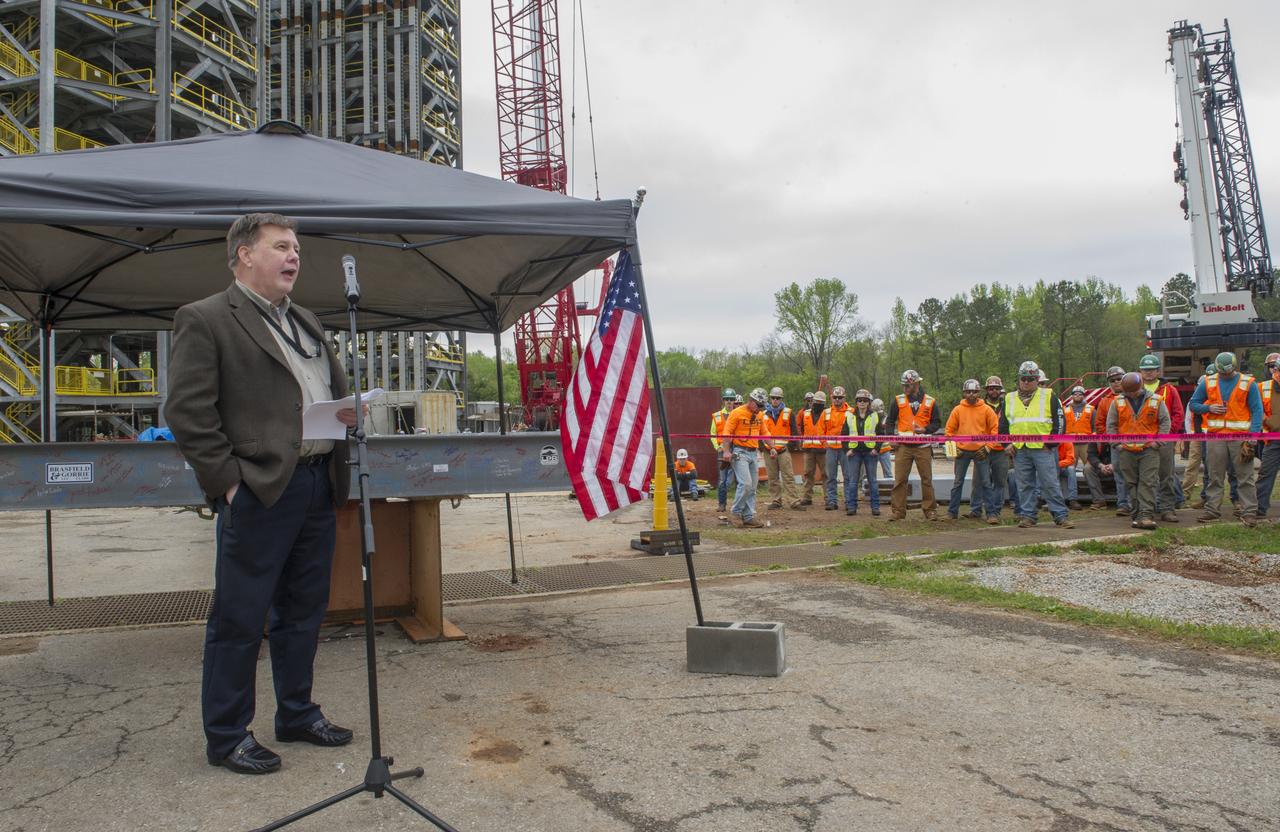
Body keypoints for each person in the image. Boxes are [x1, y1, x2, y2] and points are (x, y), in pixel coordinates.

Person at [166, 213, 356, 776]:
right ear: (245, 254)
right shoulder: (205, 319)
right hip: (259, 488)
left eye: (296, 246)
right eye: (280, 246)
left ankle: (296, 713)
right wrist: (227, 483)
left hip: (317, 483)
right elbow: (187, 412)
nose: (293, 255)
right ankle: (226, 736)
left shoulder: (306, 319)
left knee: (304, 611)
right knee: (240, 617)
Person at [1188, 351, 1262, 526]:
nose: (1224, 375)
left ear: (1234, 367)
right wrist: (1209, 408)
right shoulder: (1208, 381)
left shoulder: (1248, 383)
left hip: (1240, 437)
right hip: (1216, 437)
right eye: (1222, 372)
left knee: (1245, 476)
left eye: (1227, 373)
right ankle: (1212, 510)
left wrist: (1254, 434)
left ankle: (1249, 511)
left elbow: (1257, 410)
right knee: (1215, 475)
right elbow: (1193, 404)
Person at [1007, 360, 1073, 528]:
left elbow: (1060, 421)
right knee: (1024, 485)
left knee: (1050, 483)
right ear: (1019, 379)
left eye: (1030, 379)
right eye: (1023, 379)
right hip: (1019, 449)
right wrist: (1005, 444)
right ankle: (1028, 516)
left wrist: (1051, 444)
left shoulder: (1049, 395)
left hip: (1043, 449)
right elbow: (1002, 424)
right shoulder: (1009, 398)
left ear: (1037, 380)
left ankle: (1060, 516)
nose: (1026, 382)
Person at [1109, 372, 1171, 530]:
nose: (1131, 394)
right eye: (1128, 391)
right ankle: (1136, 514)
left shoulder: (1156, 400)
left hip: (1148, 450)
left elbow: (1165, 422)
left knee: (1148, 482)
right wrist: (1117, 444)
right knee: (1131, 483)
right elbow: (1111, 426)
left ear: (1141, 386)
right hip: (1126, 451)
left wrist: (1158, 442)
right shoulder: (1117, 402)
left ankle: (1146, 515)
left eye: (1133, 391)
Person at [885, 369, 942, 520]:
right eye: (903, 386)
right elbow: (890, 421)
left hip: (923, 447)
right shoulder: (898, 400)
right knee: (900, 480)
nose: (904, 389)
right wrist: (891, 437)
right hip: (903, 447)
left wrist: (925, 429)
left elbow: (937, 423)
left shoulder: (930, 401)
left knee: (927, 479)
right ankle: (898, 511)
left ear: (916, 384)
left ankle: (930, 510)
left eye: (907, 386)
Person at [1138, 354, 1185, 521]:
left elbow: (1178, 413)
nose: (1149, 373)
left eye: (1152, 370)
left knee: (1167, 475)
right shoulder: (1135, 389)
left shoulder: (1169, 390)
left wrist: (1167, 434)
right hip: (1141, 441)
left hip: (1164, 440)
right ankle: (1146, 510)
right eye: (1145, 370)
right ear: (1140, 371)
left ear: (1158, 371)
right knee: (1145, 477)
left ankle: (1167, 509)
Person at [944, 379, 998, 521]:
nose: (971, 395)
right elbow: (948, 431)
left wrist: (988, 447)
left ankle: (991, 514)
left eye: (974, 392)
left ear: (979, 393)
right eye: (968, 392)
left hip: (981, 451)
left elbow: (995, 430)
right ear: (964, 393)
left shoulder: (986, 409)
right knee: (957, 482)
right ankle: (952, 512)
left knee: (986, 482)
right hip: (961, 451)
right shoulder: (957, 410)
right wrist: (953, 450)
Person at [720, 387, 768, 527]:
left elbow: (765, 433)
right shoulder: (736, 413)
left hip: (754, 453)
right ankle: (736, 511)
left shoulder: (759, 415)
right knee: (745, 484)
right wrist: (726, 451)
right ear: (751, 401)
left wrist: (773, 447)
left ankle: (748, 516)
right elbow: (727, 433)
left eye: (762, 406)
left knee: (752, 487)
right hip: (740, 452)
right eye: (758, 405)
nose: (760, 409)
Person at [1094, 366, 1132, 516]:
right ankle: (1123, 504)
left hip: (1136, 443)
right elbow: (1099, 424)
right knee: (1120, 475)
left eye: (1119, 379)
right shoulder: (1104, 402)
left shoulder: (1134, 396)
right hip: (1116, 445)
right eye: (1112, 380)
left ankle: (1137, 503)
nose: (1116, 383)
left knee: (1136, 475)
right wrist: (1111, 440)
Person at [762, 387, 803, 510]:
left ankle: (794, 501)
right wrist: (763, 448)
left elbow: (794, 432)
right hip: (768, 451)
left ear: (781, 399)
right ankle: (776, 500)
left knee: (788, 476)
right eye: (773, 398)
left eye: (777, 398)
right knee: (772, 477)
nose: (775, 400)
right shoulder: (763, 414)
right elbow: (758, 432)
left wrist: (790, 446)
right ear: (770, 399)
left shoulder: (788, 413)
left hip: (783, 450)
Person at [844, 389, 882, 515]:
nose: (862, 402)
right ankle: (852, 507)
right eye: (859, 400)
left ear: (869, 402)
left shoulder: (875, 415)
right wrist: (847, 449)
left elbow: (882, 435)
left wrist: (876, 449)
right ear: (856, 402)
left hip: (870, 453)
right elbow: (843, 435)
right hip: (854, 453)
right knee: (853, 481)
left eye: (865, 400)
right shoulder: (849, 415)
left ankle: (875, 507)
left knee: (873, 481)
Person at [1062, 385, 1100, 509]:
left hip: (1086, 443)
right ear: (1072, 396)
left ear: (1084, 396)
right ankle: (1071, 498)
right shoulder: (1065, 410)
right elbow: (1062, 428)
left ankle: (1097, 498)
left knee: (1089, 468)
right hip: (1070, 444)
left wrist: (1093, 440)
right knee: (1070, 470)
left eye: (1080, 394)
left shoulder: (1091, 409)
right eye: (1075, 394)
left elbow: (1095, 427)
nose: (1077, 396)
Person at [820, 386, 853, 510]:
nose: (837, 400)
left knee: (848, 476)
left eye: (840, 397)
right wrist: (824, 443)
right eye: (835, 397)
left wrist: (852, 447)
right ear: (831, 398)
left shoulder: (851, 412)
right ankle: (832, 501)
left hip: (846, 449)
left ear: (844, 398)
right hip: (831, 449)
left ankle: (849, 501)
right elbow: (820, 430)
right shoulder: (826, 412)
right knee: (830, 476)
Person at [1256, 353, 1280, 520]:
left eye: (1275, 367)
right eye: (1272, 367)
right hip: (1272, 438)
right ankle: (1260, 508)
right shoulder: (1262, 387)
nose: (1274, 370)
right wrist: (1269, 422)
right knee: (1266, 473)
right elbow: (1256, 409)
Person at [710, 388, 737, 511]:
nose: (729, 402)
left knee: (735, 480)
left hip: (736, 450)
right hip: (722, 451)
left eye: (731, 399)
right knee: (722, 480)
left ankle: (739, 506)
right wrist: (718, 447)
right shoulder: (717, 416)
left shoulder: (739, 414)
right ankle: (722, 504)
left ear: (734, 401)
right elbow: (712, 434)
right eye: (727, 399)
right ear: (723, 401)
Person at [799, 391, 827, 505]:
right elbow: (801, 429)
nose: (817, 404)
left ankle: (828, 497)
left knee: (826, 474)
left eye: (820, 402)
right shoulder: (805, 414)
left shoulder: (827, 414)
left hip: (823, 449)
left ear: (824, 403)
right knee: (808, 473)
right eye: (816, 401)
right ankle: (807, 497)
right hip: (809, 449)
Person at [871, 398, 892, 478]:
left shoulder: (885, 418)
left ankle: (889, 489)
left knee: (888, 473)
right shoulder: (871, 417)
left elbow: (882, 432)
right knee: (871, 474)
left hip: (883, 449)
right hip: (873, 449)